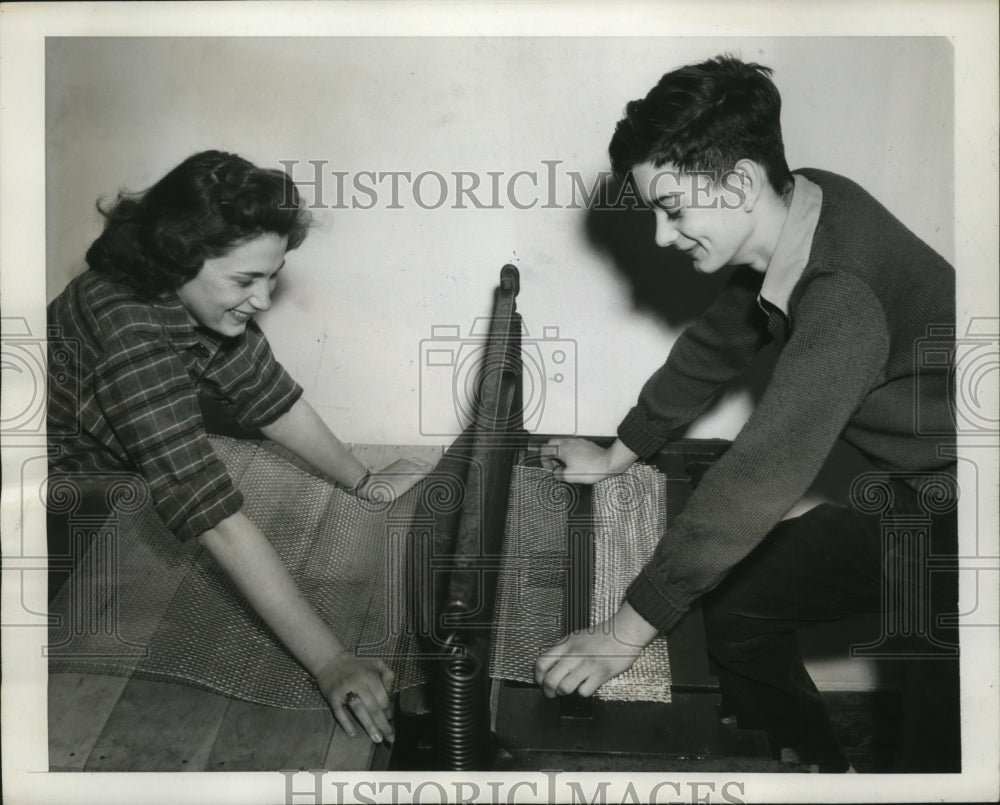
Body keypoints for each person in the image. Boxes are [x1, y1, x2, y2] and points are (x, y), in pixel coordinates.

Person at [535, 56, 959, 772]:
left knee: (936, 747)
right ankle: (826, 773)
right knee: (739, 613)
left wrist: (620, 634)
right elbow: (722, 336)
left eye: (673, 211)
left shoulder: (840, 296)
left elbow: (756, 478)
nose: (665, 237)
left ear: (739, 182)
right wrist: (621, 451)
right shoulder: (809, 203)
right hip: (922, 489)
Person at [47, 150, 431, 745]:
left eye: (273, 274)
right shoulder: (129, 329)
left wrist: (364, 481)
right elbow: (213, 516)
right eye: (246, 280)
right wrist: (330, 663)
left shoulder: (192, 296)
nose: (265, 298)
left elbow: (267, 396)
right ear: (178, 257)